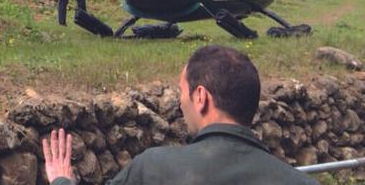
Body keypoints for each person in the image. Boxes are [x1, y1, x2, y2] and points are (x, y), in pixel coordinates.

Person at [43, 45, 318, 185]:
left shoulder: (152, 168)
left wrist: (62, 180)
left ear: (201, 98)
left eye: (182, 92)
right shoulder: (301, 182)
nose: (179, 103)